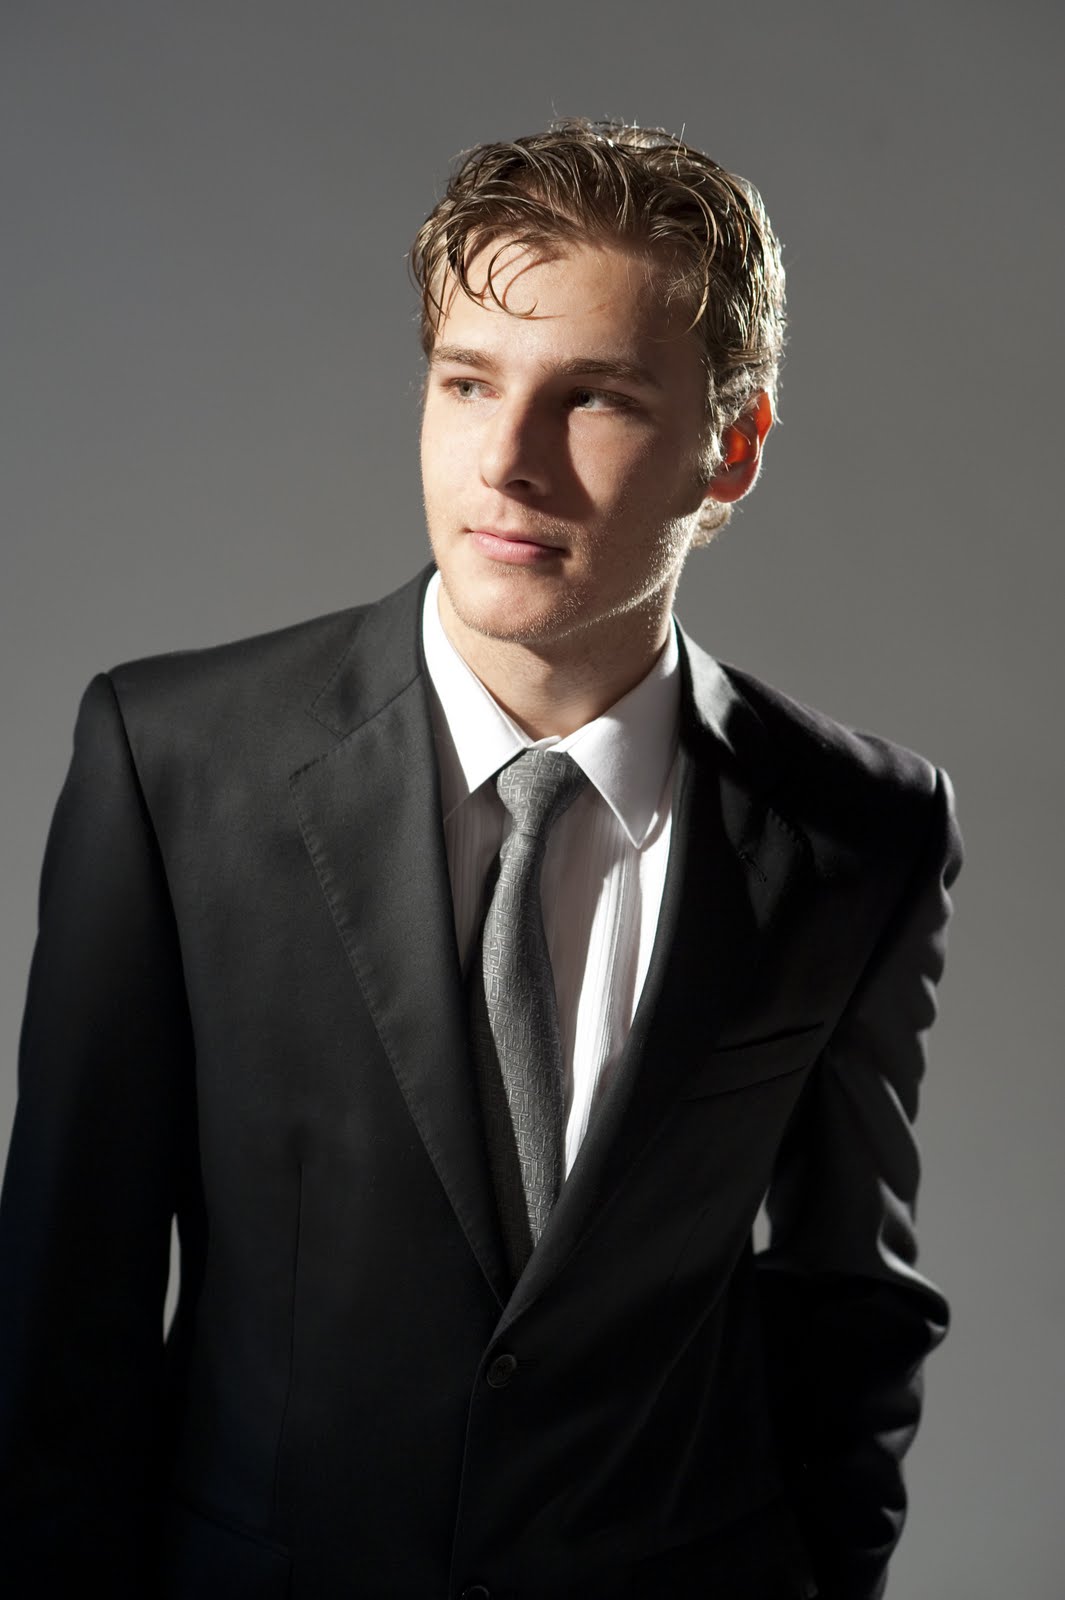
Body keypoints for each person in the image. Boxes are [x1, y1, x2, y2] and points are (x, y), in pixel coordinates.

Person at [0, 119, 960, 1599]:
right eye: (467, 383)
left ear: (732, 449)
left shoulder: (858, 829)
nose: (507, 463)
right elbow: (66, 1314)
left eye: (595, 398)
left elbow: (852, 1301)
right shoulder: (176, 764)